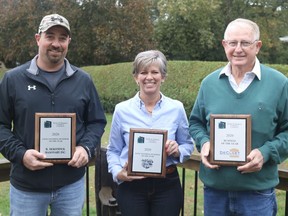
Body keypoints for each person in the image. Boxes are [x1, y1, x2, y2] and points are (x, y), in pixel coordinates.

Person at [0, 14, 107, 216]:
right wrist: (21, 155)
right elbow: (1, 125)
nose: (56, 44)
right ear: (38, 39)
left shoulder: (83, 80)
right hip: (26, 187)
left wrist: (85, 148)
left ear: (69, 42)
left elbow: (96, 122)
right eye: (50, 36)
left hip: (71, 185)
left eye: (62, 38)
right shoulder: (13, 79)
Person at [189, 18, 288, 216]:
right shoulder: (209, 83)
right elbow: (196, 123)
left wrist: (266, 152)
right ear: (224, 45)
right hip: (214, 192)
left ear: (257, 46)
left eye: (245, 43)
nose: (238, 49)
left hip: (257, 194)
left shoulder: (279, 83)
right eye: (233, 43)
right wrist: (204, 142)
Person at [106, 50, 194, 216]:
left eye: (155, 72)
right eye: (143, 72)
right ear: (136, 77)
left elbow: (187, 144)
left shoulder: (176, 108)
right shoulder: (122, 110)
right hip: (132, 186)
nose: (149, 77)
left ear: (163, 76)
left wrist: (177, 150)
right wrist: (118, 172)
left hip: (167, 185)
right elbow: (113, 150)